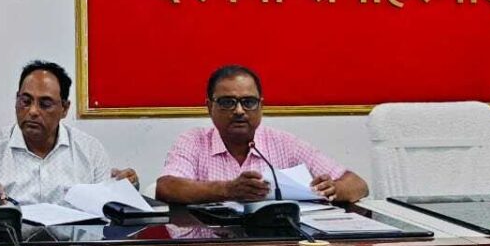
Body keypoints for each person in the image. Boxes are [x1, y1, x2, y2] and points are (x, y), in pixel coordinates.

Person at [155, 64, 369, 204]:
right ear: (210, 107)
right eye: (228, 102)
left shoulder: (284, 143)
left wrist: (333, 189)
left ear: (261, 106)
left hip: (275, 245)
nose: (239, 111)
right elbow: (166, 188)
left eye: (248, 102)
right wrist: (228, 190)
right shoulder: (193, 141)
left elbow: (358, 185)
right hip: (209, 245)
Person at [0, 60, 139, 207]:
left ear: (64, 109)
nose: (33, 111)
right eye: (25, 101)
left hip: (73, 242)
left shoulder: (90, 151)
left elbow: (107, 212)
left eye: (45, 104)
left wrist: (123, 190)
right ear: (16, 100)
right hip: (8, 242)